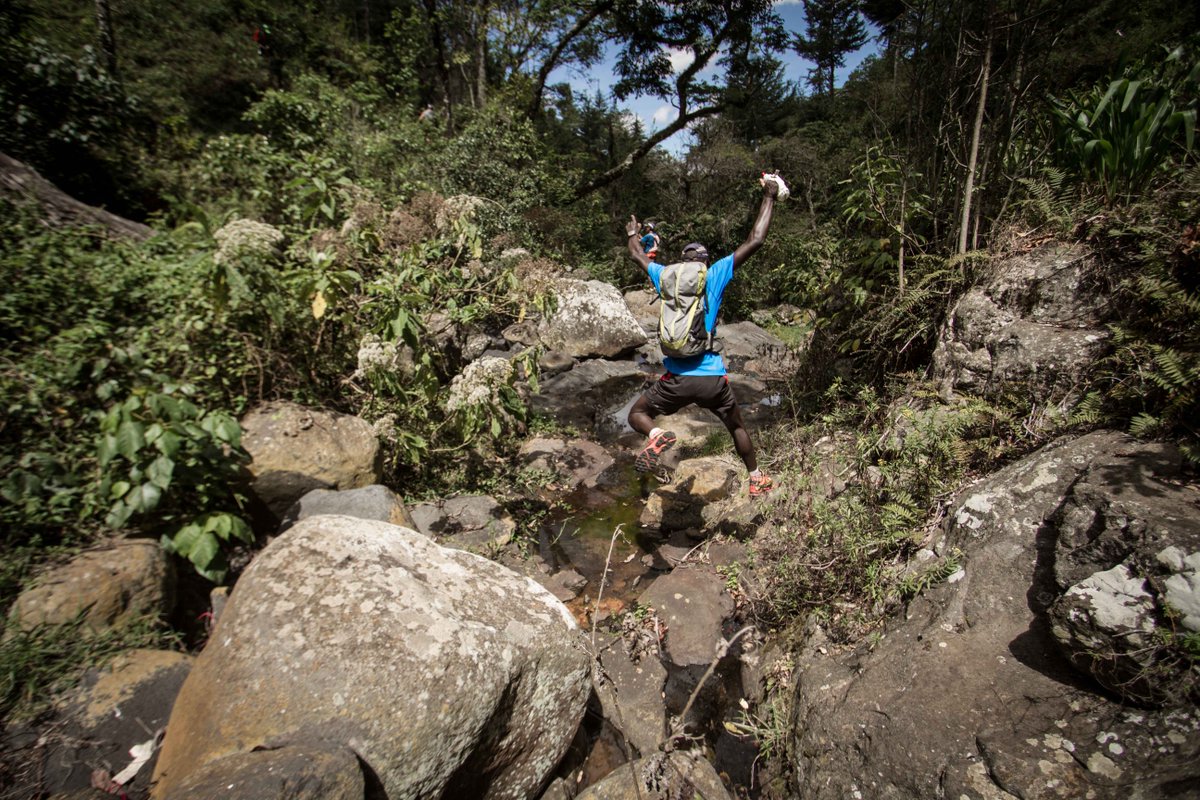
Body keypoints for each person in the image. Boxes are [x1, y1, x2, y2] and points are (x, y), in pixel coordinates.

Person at [623, 173, 786, 496]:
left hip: (676, 380)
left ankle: (656, 435)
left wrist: (633, 233)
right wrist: (769, 196)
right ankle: (756, 479)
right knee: (736, 425)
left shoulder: (664, 277)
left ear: (683, 262)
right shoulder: (713, 275)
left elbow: (636, 255)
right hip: (711, 378)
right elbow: (755, 240)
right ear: (704, 262)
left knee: (637, 414)